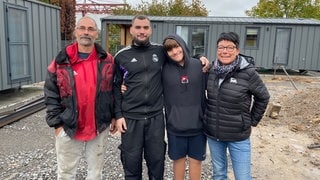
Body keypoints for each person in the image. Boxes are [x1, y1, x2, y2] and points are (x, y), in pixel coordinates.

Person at [113, 15, 209, 180]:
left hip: (155, 117)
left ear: (150, 30)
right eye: (138, 27)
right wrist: (118, 115)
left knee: (157, 162)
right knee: (131, 162)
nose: (142, 31)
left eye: (145, 27)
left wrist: (200, 58)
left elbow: (179, 55)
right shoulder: (121, 56)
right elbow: (115, 86)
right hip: (131, 118)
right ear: (131, 30)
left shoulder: (160, 51)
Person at [44, 16, 116, 180]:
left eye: (91, 29)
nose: (86, 32)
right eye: (82, 28)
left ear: (96, 33)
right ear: (75, 32)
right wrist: (57, 124)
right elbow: (50, 92)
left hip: (99, 125)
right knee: (66, 173)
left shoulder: (108, 60)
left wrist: (113, 116)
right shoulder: (61, 61)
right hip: (69, 125)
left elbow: (114, 90)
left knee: (95, 173)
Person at [204, 31, 270, 180]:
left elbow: (263, 97)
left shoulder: (248, 73)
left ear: (237, 50)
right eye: (221, 47)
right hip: (214, 134)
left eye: (229, 47)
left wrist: (251, 121)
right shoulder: (211, 70)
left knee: (243, 176)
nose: (225, 51)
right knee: (219, 174)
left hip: (238, 136)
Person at [162, 34, 207, 180]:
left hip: (198, 125)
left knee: (196, 162)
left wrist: (202, 58)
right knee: (178, 161)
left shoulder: (199, 66)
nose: (175, 52)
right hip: (175, 126)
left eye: (176, 46)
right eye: (170, 50)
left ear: (182, 45)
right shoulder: (163, 69)